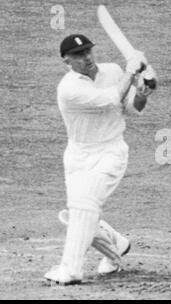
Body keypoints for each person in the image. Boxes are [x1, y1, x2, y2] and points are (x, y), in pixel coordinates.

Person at [44, 34, 156, 285]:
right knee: (79, 215)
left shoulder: (113, 71)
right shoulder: (69, 88)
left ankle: (70, 271)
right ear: (66, 60)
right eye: (79, 55)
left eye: (89, 51)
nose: (87, 58)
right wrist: (131, 73)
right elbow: (110, 99)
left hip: (110, 152)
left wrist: (143, 92)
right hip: (78, 156)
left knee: (84, 208)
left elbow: (130, 107)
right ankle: (116, 243)